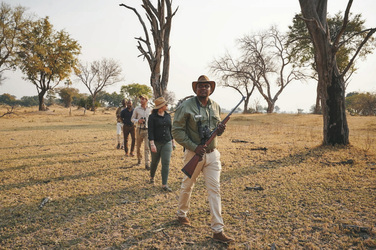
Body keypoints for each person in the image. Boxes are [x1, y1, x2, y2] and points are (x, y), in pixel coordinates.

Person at [172, 75, 234, 243]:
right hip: (194, 154)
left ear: (211, 89)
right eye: (200, 86)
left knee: (215, 190)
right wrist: (193, 146)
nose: (203, 89)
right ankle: (181, 214)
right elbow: (177, 131)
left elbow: (216, 127)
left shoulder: (215, 106)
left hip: (213, 154)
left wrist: (220, 130)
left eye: (206, 86)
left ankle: (217, 230)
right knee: (187, 185)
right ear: (196, 89)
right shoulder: (186, 106)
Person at [148, 97, 176, 192]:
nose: (167, 106)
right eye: (165, 104)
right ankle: (152, 177)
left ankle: (164, 185)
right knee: (154, 162)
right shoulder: (152, 117)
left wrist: (173, 141)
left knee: (166, 163)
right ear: (161, 107)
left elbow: (170, 129)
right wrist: (152, 144)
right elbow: (150, 131)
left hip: (167, 142)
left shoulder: (168, 116)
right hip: (155, 142)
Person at [131, 94, 151, 170]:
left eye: (143, 99)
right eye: (141, 99)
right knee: (138, 147)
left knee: (147, 147)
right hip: (139, 129)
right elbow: (132, 119)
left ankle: (147, 163)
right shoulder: (136, 109)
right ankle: (139, 159)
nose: (141, 100)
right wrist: (138, 121)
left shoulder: (150, 109)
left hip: (147, 130)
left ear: (146, 100)